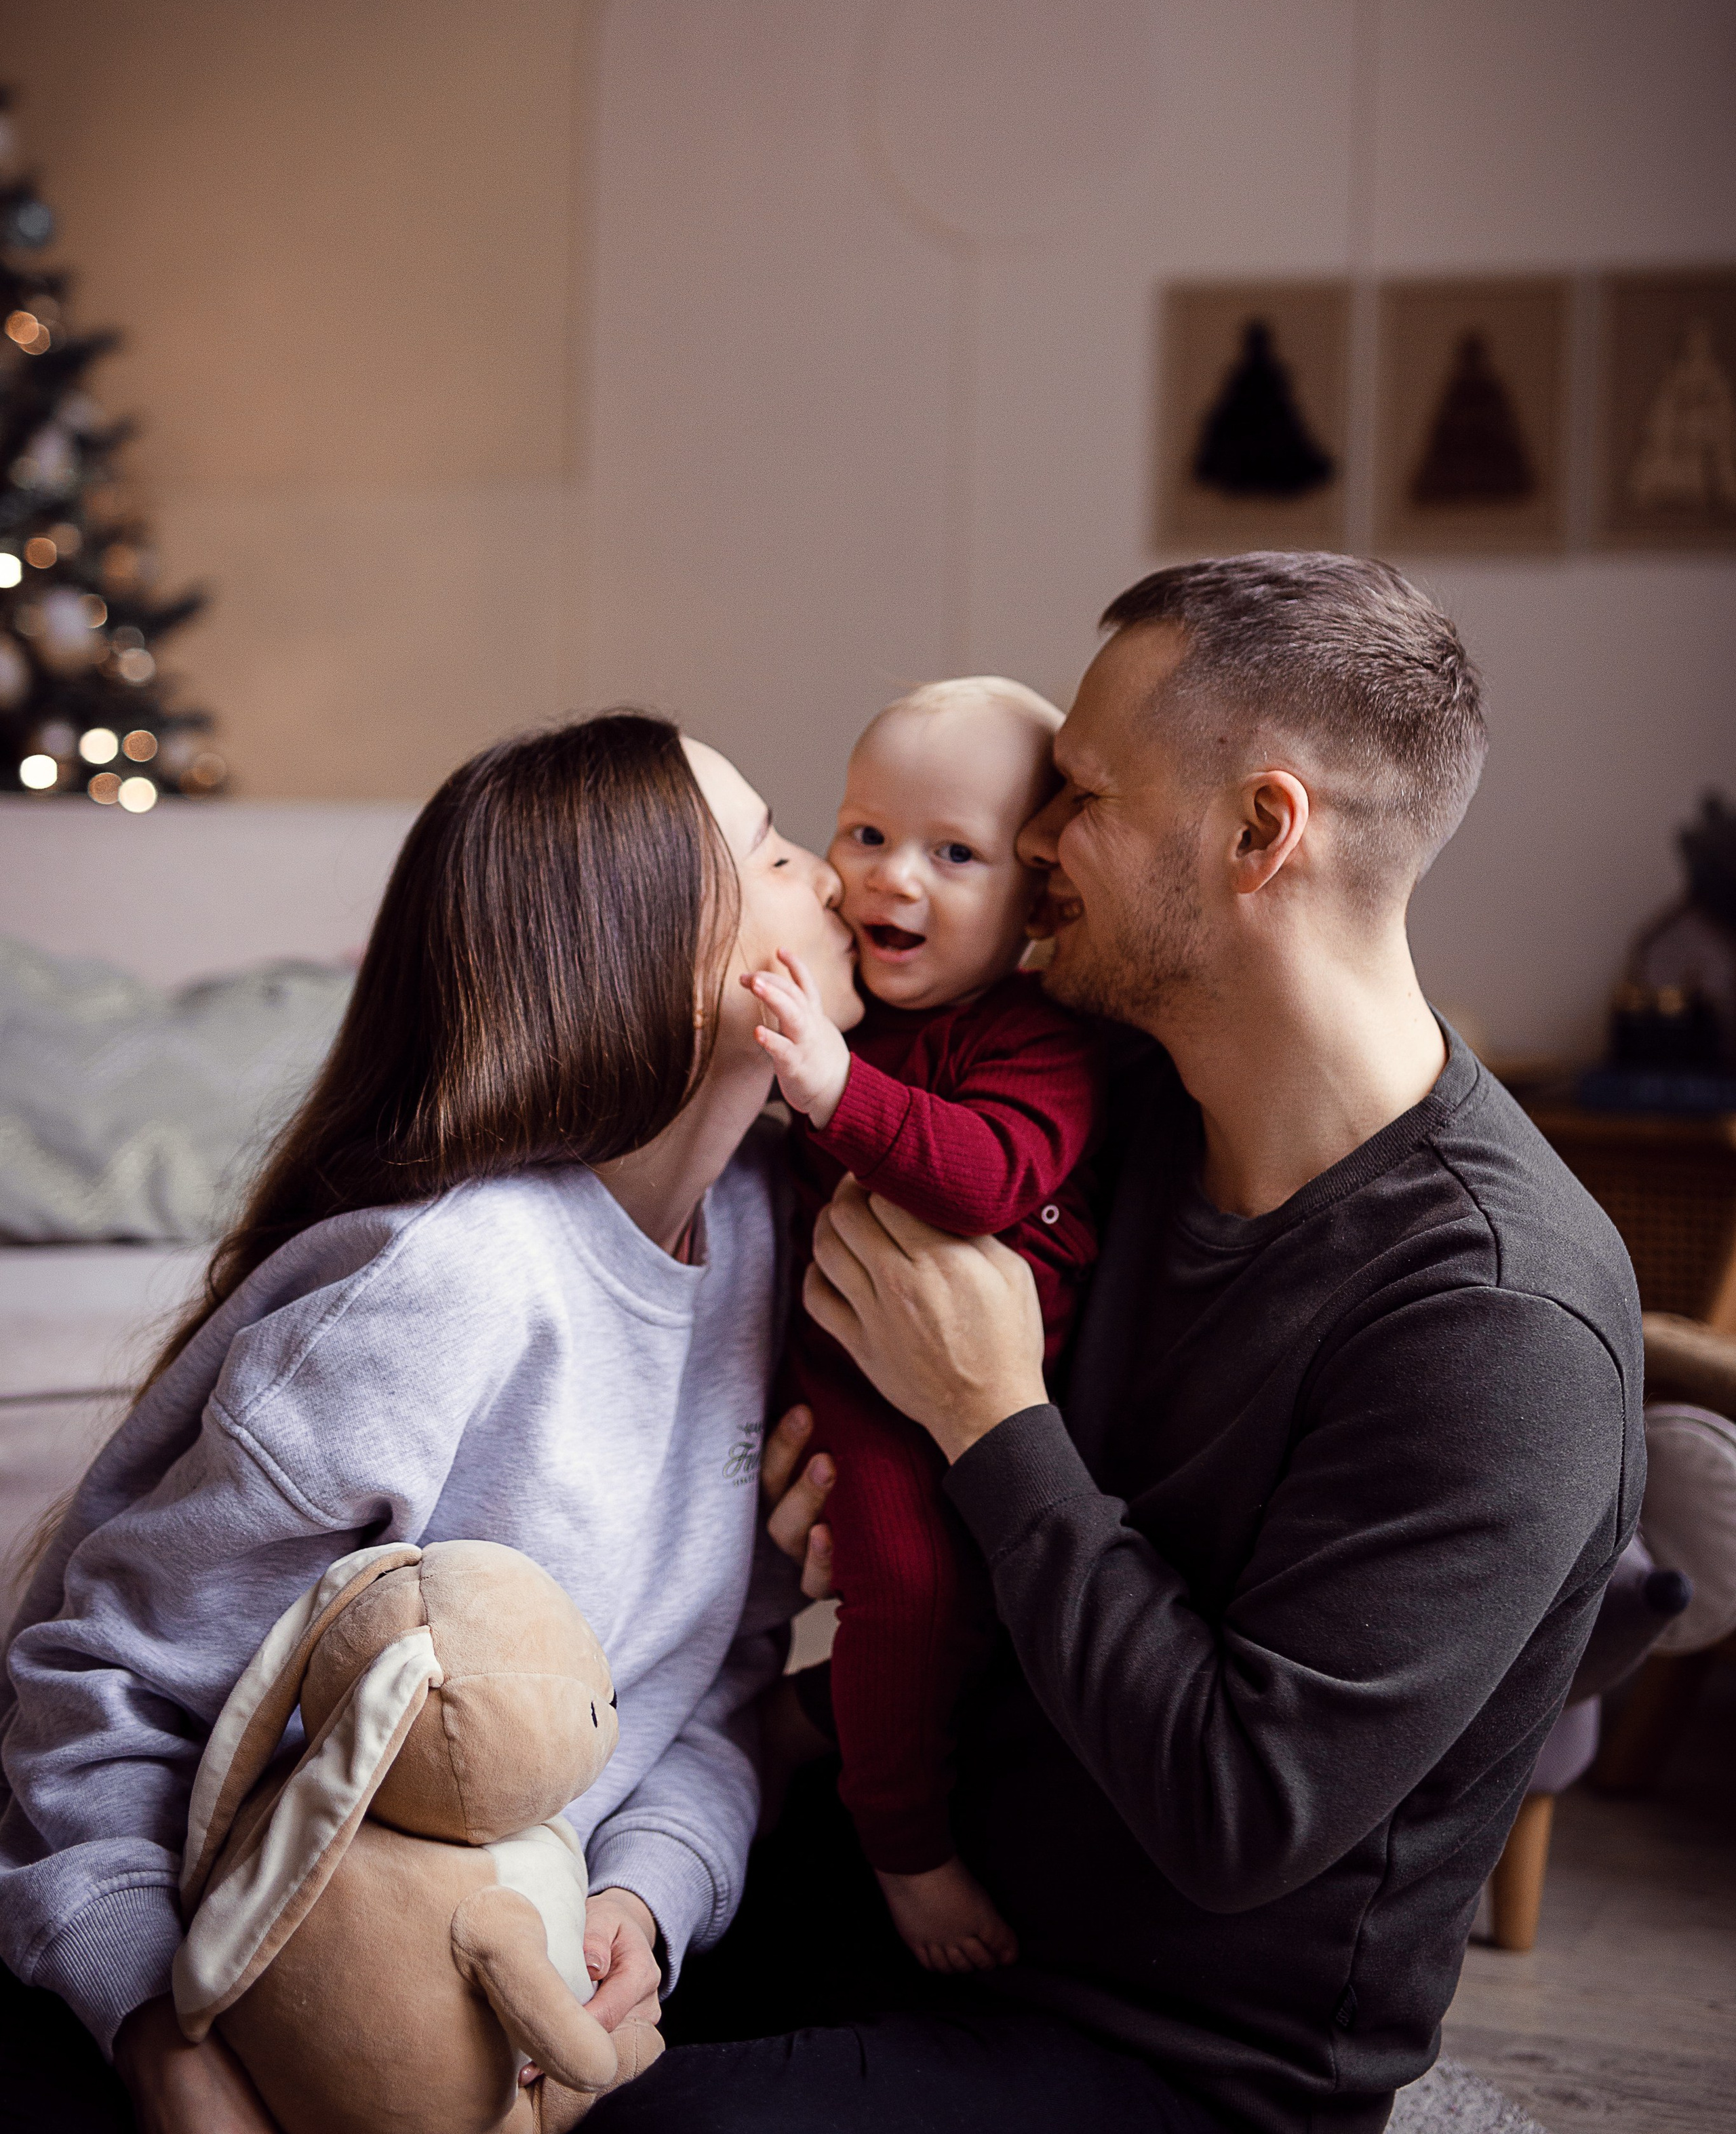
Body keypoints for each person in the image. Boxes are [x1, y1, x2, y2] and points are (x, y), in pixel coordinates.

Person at [599, 553, 1642, 2134]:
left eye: (1076, 792)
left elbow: (1242, 1812)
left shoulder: (1499, 1315)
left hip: (1162, 2050)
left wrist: (986, 1421)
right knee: (427, 2038)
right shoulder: (1109, 1106)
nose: (1026, 841)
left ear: (1257, 831)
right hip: (907, 1888)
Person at [0, 711, 861, 2134]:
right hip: (233, 1979)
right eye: (772, 854)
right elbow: (103, 1700)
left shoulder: (778, 1228)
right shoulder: (442, 1291)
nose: (828, 876)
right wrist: (157, 2034)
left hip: (502, 1983)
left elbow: (716, 1682)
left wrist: (645, 1903)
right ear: (649, 950)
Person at [748, 679, 1103, 1972]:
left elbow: (988, 1176)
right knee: (903, 1581)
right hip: (858, 1373)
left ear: (1039, 899)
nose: (891, 877)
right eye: (863, 834)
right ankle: (904, 1850)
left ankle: (799, 1727)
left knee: (995, 1622)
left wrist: (834, 1091)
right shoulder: (832, 1011)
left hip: (1000, 1389)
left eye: (956, 853)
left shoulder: (1037, 1042)